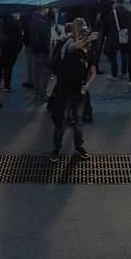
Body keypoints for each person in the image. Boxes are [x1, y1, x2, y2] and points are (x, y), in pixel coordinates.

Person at [50, 20, 98, 161]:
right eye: (82, 32)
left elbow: (93, 70)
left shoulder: (89, 50)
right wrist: (87, 39)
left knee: (78, 121)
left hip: (79, 90)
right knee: (61, 121)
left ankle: (78, 146)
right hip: (64, 89)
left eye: (86, 32)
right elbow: (72, 48)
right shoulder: (69, 42)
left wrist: (88, 84)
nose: (85, 35)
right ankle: (56, 148)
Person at [29, 7, 53, 101]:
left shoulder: (33, 21)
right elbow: (44, 39)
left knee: (37, 71)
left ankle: (37, 93)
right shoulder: (42, 22)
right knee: (46, 71)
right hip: (43, 51)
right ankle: (42, 93)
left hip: (35, 50)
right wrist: (47, 50)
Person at [0, 13, 23, 92]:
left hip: (0, 48)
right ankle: (7, 86)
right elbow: (19, 38)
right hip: (12, 49)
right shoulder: (15, 23)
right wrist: (18, 49)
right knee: (9, 69)